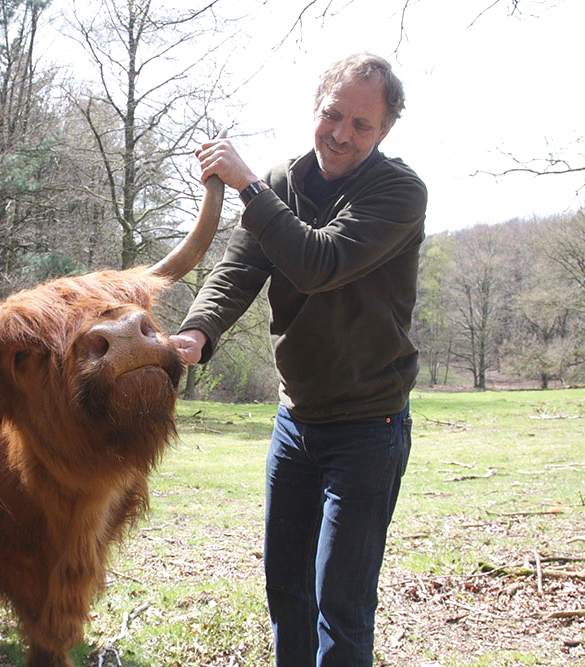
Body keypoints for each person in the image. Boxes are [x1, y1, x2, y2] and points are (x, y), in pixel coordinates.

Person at [172, 53, 427, 666]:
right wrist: (197, 333)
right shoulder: (287, 182)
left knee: (340, 604)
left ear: (386, 130)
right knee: (286, 592)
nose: (340, 133)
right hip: (296, 424)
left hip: (369, 426)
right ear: (316, 107)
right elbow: (238, 269)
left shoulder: (398, 192)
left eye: (360, 125)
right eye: (331, 114)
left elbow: (319, 264)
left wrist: (250, 188)